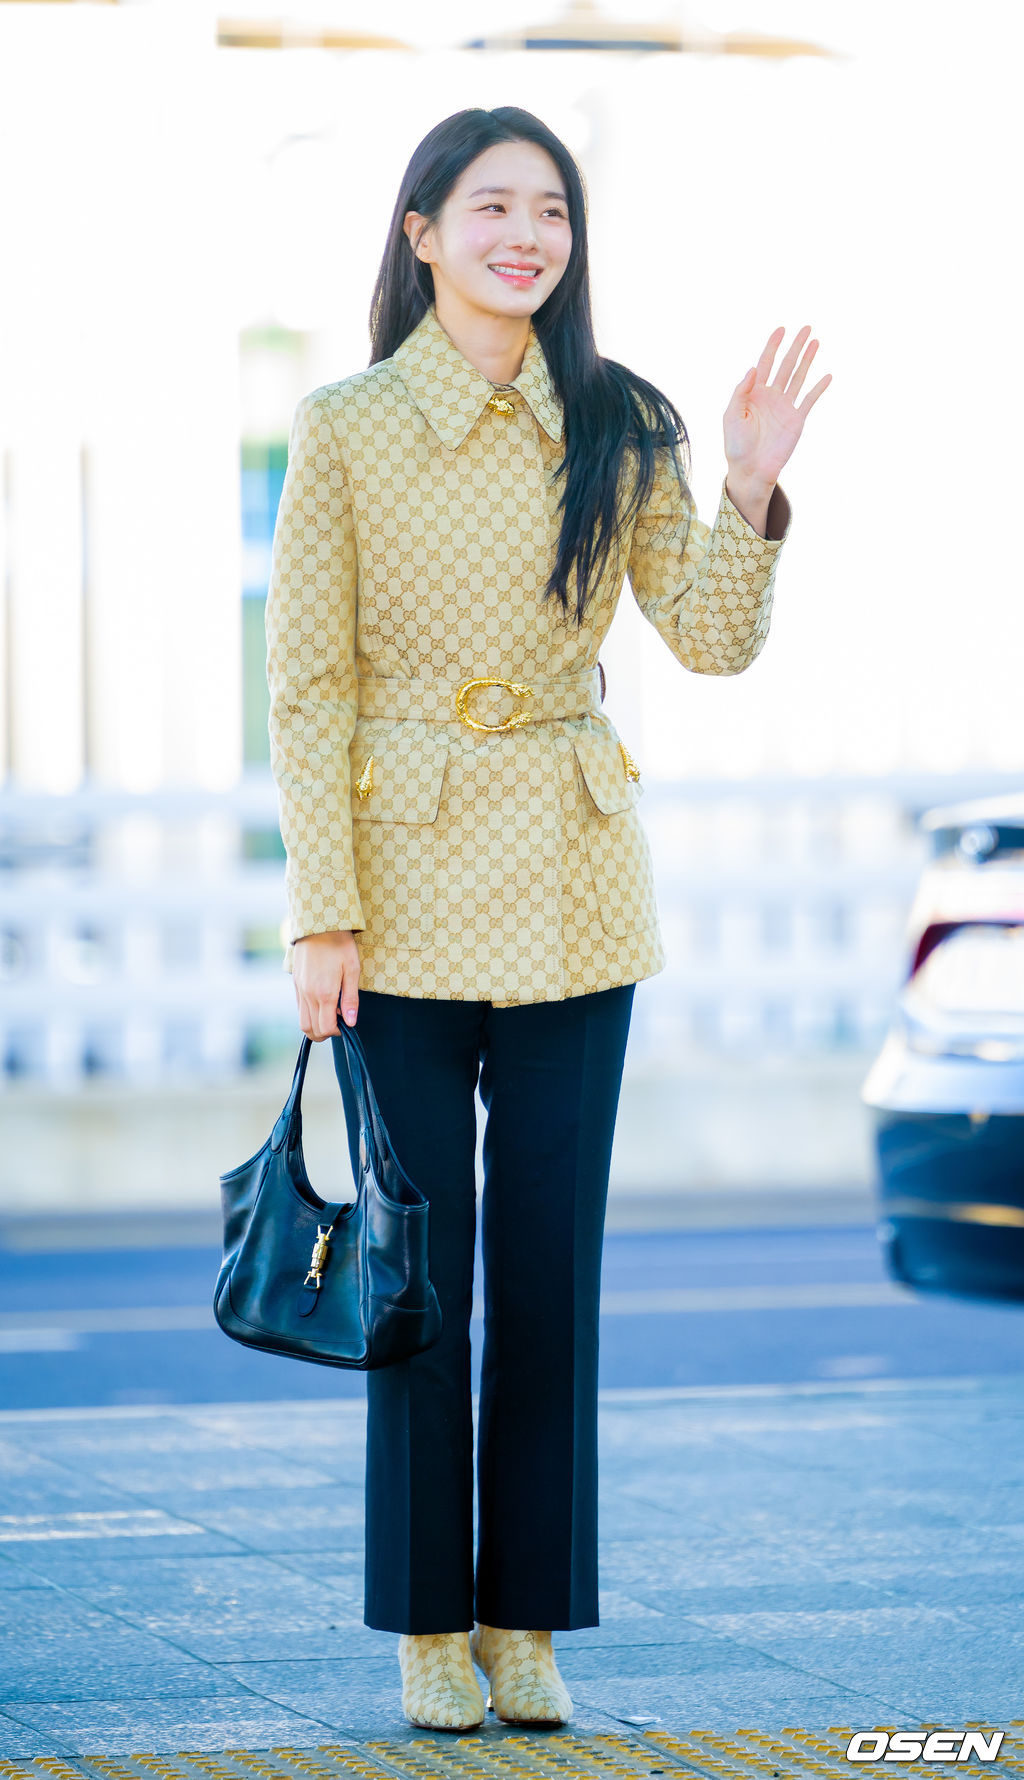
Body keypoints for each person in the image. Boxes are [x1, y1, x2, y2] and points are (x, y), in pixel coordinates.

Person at [264, 104, 830, 1733]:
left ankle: (525, 1624)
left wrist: (750, 489)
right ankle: (426, 1629)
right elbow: (307, 689)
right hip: (400, 898)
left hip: (578, 888)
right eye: (494, 207)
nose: (528, 236)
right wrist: (322, 913)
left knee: (550, 1276)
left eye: (554, 212)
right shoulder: (346, 427)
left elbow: (709, 639)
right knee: (417, 1278)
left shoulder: (619, 418)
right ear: (423, 232)